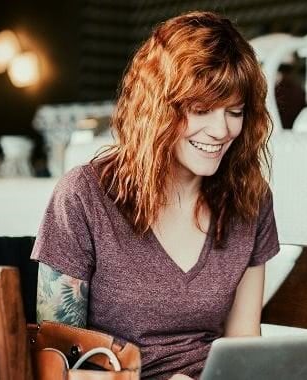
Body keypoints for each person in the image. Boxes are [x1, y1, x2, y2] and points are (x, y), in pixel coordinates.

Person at [31, 11, 279, 380]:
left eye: (235, 112)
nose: (221, 130)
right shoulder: (84, 196)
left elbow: (244, 343)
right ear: (158, 108)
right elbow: (53, 364)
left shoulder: (250, 199)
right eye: (200, 110)